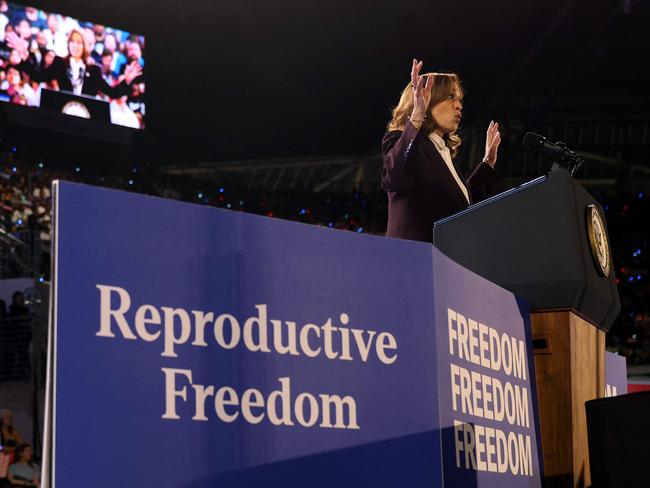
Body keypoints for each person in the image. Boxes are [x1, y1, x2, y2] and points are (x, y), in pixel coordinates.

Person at [381, 59, 502, 242]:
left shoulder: (443, 153)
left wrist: (488, 162)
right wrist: (416, 117)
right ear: (428, 100)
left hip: (444, 260)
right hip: (412, 260)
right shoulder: (401, 139)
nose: (459, 105)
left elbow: (461, 209)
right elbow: (395, 177)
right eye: (451, 97)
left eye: (460, 99)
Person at [5, 28, 141, 99]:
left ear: (84, 46)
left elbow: (112, 93)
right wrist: (25, 55)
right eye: (72, 41)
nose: (75, 45)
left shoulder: (94, 70)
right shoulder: (60, 63)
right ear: (68, 44)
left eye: (79, 42)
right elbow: (38, 77)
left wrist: (127, 81)